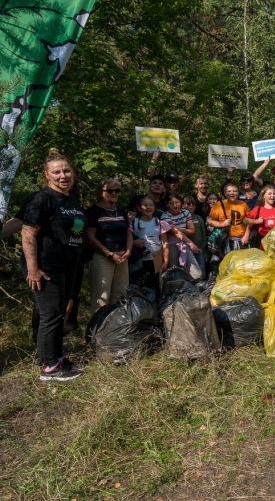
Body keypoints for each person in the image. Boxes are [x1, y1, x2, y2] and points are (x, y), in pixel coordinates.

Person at [21, 153, 86, 380]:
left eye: (66, 171)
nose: (62, 176)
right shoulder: (42, 198)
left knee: (61, 313)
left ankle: (55, 357)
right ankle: (49, 369)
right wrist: (33, 269)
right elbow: (28, 232)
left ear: (73, 173)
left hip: (68, 264)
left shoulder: (72, 199)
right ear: (46, 175)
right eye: (56, 172)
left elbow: (74, 231)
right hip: (47, 265)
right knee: (50, 315)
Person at [86, 179, 133, 315]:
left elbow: (128, 234)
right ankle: (98, 332)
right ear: (101, 192)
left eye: (117, 191)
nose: (114, 193)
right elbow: (91, 237)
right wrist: (110, 254)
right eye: (110, 190)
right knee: (102, 298)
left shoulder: (121, 211)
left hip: (122, 258)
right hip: (102, 258)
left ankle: (115, 329)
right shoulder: (94, 211)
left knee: (120, 295)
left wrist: (128, 251)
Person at [129, 196, 168, 297]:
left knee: (156, 286)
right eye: (145, 205)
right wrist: (134, 242)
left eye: (151, 205)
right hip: (141, 259)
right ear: (139, 208)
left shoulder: (159, 222)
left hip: (156, 258)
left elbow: (165, 242)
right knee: (142, 285)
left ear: (155, 208)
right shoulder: (134, 222)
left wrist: (166, 260)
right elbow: (128, 238)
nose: (148, 207)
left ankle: (156, 309)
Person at [160, 192, 203, 278]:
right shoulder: (165, 216)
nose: (175, 205)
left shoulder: (185, 212)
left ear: (181, 203)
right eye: (171, 203)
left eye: (177, 202)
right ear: (167, 204)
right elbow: (175, 233)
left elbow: (192, 230)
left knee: (197, 274)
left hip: (184, 243)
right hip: (172, 245)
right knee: (174, 272)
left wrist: (176, 229)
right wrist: (192, 244)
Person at [207, 183, 250, 253]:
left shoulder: (243, 204)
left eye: (235, 191)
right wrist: (222, 224)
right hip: (224, 239)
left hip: (241, 239)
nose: (232, 193)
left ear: (238, 193)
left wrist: (246, 235)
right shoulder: (219, 204)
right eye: (229, 191)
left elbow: (250, 222)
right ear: (225, 193)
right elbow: (209, 221)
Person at [184, 195, 207, 278]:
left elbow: (204, 236)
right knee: (189, 275)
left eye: (193, 204)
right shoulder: (180, 218)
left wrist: (205, 253)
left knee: (202, 275)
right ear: (183, 205)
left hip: (199, 251)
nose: (191, 206)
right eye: (188, 204)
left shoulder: (198, 218)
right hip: (185, 251)